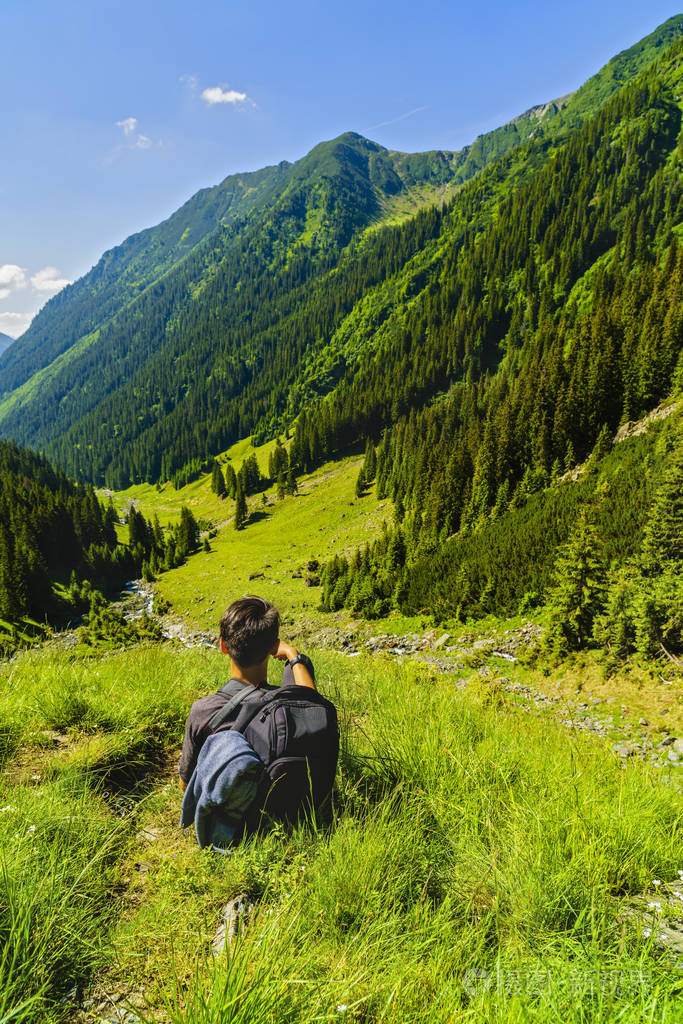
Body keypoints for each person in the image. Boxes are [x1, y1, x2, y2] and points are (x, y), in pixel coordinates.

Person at [178, 595, 318, 791]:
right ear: (273, 647)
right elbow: (313, 705)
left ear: (223, 646)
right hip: (286, 803)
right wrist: (293, 655)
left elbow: (185, 784)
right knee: (298, 672)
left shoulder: (203, 711)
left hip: (230, 808)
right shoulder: (287, 705)